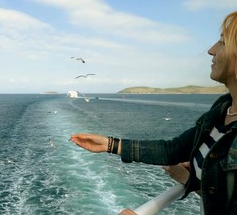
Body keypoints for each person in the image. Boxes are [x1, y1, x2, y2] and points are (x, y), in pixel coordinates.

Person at [70, 11, 237, 215]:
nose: (210, 50)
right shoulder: (221, 110)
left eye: (222, 42)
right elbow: (173, 150)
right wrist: (110, 144)